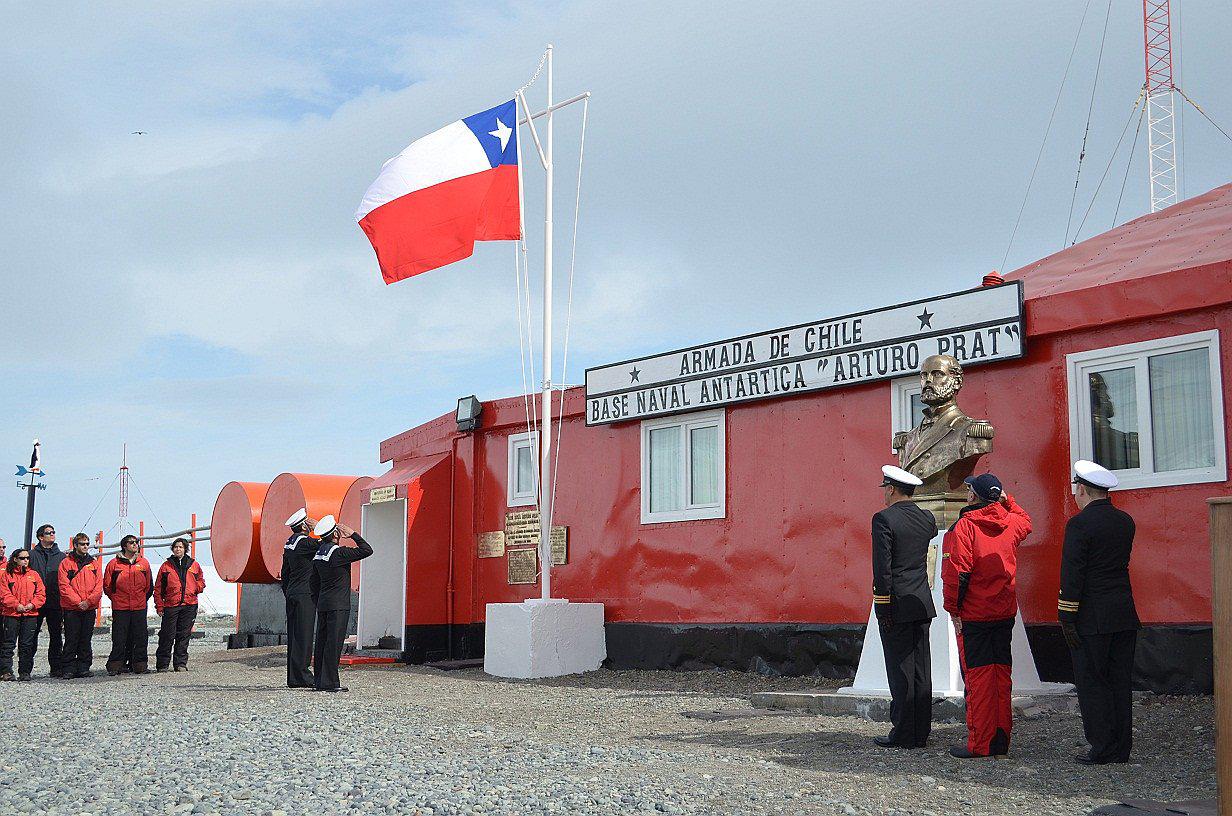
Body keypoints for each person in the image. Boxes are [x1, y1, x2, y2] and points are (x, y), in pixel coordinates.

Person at [941, 473, 1032, 758]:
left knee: (978, 679)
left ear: (972, 496)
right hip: (1003, 613)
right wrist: (1008, 500)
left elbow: (957, 574)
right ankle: (1000, 739)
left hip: (975, 615)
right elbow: (1025, 520)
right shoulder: (1010, 523)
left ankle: (981, 744)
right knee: (1001, 677)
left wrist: (953, 610)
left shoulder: (965, 527)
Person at [1060, 460, 1139, 765]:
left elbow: (1073, 574)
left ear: (1082, 490)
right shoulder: (1125, 521)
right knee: (1120, 681)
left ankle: (1102, 746)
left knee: (1093, 681)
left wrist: (1066, 615)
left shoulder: (1079, 524)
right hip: (1123, 612)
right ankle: (1121, 747)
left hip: (1091, 615)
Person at [871, 465, 938, 749]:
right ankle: (921, 731)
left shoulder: (883, 519)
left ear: (891, 489)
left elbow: (883, 569)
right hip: (922, 600)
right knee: (922, 668)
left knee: (900, 669)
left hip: (897, 602)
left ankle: (902, 732)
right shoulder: (926, 519)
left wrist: (882, 606)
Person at [309, 516, 372, 693]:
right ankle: (330, 682)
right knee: (333, 643)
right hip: (339, 604)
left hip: (323, 603)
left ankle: (319, 681)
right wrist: (353, 534)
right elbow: (367, 550)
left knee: (321, 642)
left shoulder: (318, 554)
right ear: (336, 534)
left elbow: (313, 583)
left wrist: (318, 600)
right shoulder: (339, 553)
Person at [103, 534, 154, 675]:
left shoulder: (144, 563)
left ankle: (139, 665)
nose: (135, 544)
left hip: (139, 606)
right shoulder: (114, 564)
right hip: (121, 607)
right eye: (131, 542)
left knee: (140, 637)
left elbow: (149, 586)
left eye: (136, 542)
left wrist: (142, 599)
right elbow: (107, 586)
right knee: (119, 637)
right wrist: (117, 599)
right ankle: (115, 666)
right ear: (124, 546)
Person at [280, 508, 318, 689]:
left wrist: (287, 591)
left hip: (293, 592)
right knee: (304, 635)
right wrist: (318, 528)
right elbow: (326, 546)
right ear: (303, 525)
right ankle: (303, 676)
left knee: (294, 636)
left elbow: (285, 572)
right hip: (305, 594)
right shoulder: (305, 543)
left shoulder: (289, 543)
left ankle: (293, 677)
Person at [155, 538, 206, 672]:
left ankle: (180, 663)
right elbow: (158, 588)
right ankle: (162, 664)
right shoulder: (166, 566)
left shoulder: (194, 565)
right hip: (171, 605)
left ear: (185, 549)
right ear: (172, 549)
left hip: (189, 605)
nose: (178, 549)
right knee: (167, 634)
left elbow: (201, 580)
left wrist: (196, 587)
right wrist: (159, 606)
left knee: (184, 635)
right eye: (176, 547)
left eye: (181, 547)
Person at [58, 533, 103, 679]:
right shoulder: (66, 563)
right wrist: (78, 602)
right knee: (71, 638)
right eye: (82, 544)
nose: (85, 546)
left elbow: (98, 586)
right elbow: (64, 586)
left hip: (89, 608)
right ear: (75, 545)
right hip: (72, 608)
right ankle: (68, 668)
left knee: (85, 639)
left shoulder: (94, 563)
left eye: (87, 544)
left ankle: (84, 667)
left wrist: (88, 602)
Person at [0, 549, 45, 681]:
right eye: (22, 558)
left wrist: (32, 604)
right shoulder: (7, 575)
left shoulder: (34, 575)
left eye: (27, 558)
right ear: (15, 559)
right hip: (12, 614)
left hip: (30, 614)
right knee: (8, 644)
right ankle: (6, 671)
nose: (26, 560)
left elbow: (41, 593)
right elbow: (4, 594)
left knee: (27, 645)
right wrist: (16, 605)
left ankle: (25, 672)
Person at [29, 523, 67, 677]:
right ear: (40, 537)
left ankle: (56, 668)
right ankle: (26, 669)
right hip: (35, 603)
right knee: (31, 636)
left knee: (56, 636)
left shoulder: (62, 557)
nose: (52, 534)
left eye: (53, 532)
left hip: (55, 602)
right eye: (48, 533)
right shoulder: (31, 556)